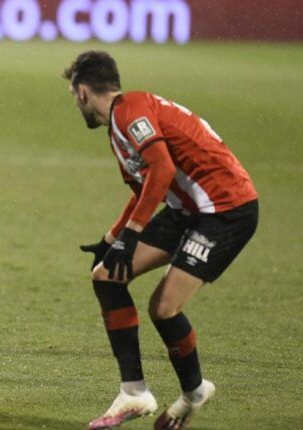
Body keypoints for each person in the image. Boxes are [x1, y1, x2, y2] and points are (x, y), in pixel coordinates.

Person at [63, 51, 258, 430]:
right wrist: (111, 239)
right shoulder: (120, 125)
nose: (76, 104)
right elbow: (143, 188)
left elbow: (164, 169)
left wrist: (133, 234)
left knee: (164, 307)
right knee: (107, 275)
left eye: (74, 97)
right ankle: (134, 393)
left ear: (83, 92)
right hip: (186, 209)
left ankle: (194, 392)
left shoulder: (131, 110)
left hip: (225, 209)